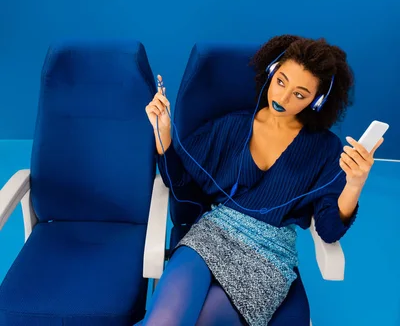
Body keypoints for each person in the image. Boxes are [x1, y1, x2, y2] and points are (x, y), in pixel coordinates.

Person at [139, 35, 383, 326]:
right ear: (271, 73)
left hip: (268, 258)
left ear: (317, 101)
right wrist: (163, 134)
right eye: (281, 82)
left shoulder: (324, 148)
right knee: (164, 321)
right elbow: (180, 184)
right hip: (212, 234)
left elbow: (329, 230)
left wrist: (355, 182)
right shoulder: (232, 125)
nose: (282, 98)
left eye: (300, 94)